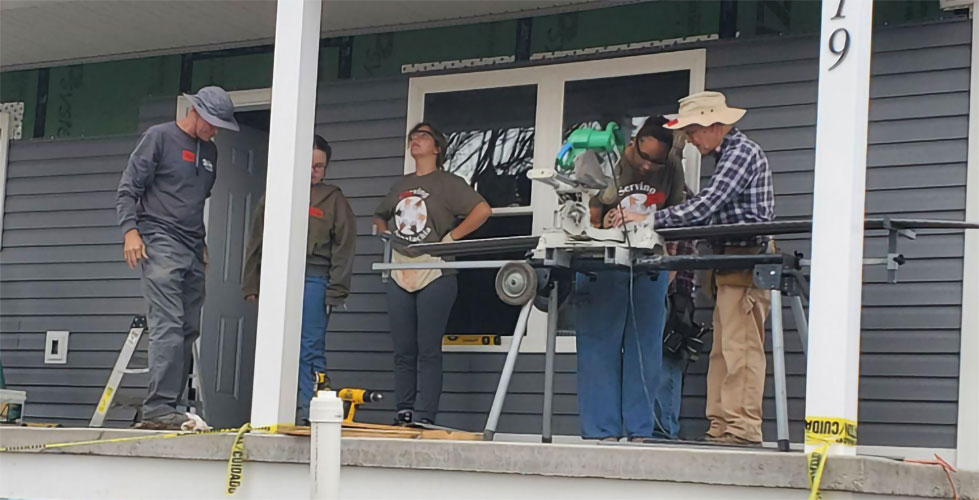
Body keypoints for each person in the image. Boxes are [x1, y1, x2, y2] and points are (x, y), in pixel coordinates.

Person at [654, 91, 775, 446]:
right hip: (727, 261)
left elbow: (706, 207)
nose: (690, 139)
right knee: (725, 348)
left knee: (741, 349)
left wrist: (648, 219)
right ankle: (722, 426)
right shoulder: (727, 157)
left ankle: (741, 429)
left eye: (693, 130)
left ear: (714, 125)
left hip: (745, 259)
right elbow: (708, 205)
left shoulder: (739, 153)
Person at [116, 86, 239, 430]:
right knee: (167, 323)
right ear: (195, 111)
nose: (215, 130)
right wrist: (130, 232)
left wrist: (201, 246)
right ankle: (158, 408)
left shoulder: (210, 153)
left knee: (187, 326)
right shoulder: (159, 138)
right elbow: (128, 188)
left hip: (192, 245)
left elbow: (196, 201)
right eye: (212, 123)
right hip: (159, 239)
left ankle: (169, 404)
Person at [575, 116, 686, 442]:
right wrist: (604, 223)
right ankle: (601, 432)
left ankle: (640, 431)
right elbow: (587, 212)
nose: (650, 166)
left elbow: (678, 214)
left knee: (645, 349)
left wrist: (672, 265)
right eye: (644, 157)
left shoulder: (673, 167)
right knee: (599, 347)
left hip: (651, 259)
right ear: (634, 142)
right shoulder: (606, 158)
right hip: (604, 262)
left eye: (657, 161)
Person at [373, 123, 491, 426]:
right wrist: (385, 235)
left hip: (435, 269)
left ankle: (425, 415)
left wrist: (451, 239)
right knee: (403, 349)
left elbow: (482, 210)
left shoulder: (448, 182)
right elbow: (380, 215)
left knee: (428, 348)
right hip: (399, 267)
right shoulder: (401, 184)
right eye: (413, 136)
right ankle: (404, 410)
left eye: (423, 136)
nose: (416, 139)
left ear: (437, 147)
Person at [241, 134, 356, 424]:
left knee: (309, 348)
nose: (314, 171)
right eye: (310, 164)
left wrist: (336, 290)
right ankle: (274, 414)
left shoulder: (334, 198)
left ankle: (311, 412)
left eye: (320, 166)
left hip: (315, 279)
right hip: (277, 278)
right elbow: (257, 239)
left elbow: (345, 246)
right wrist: (252, 283)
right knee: (275, 346)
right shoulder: (276, 193)